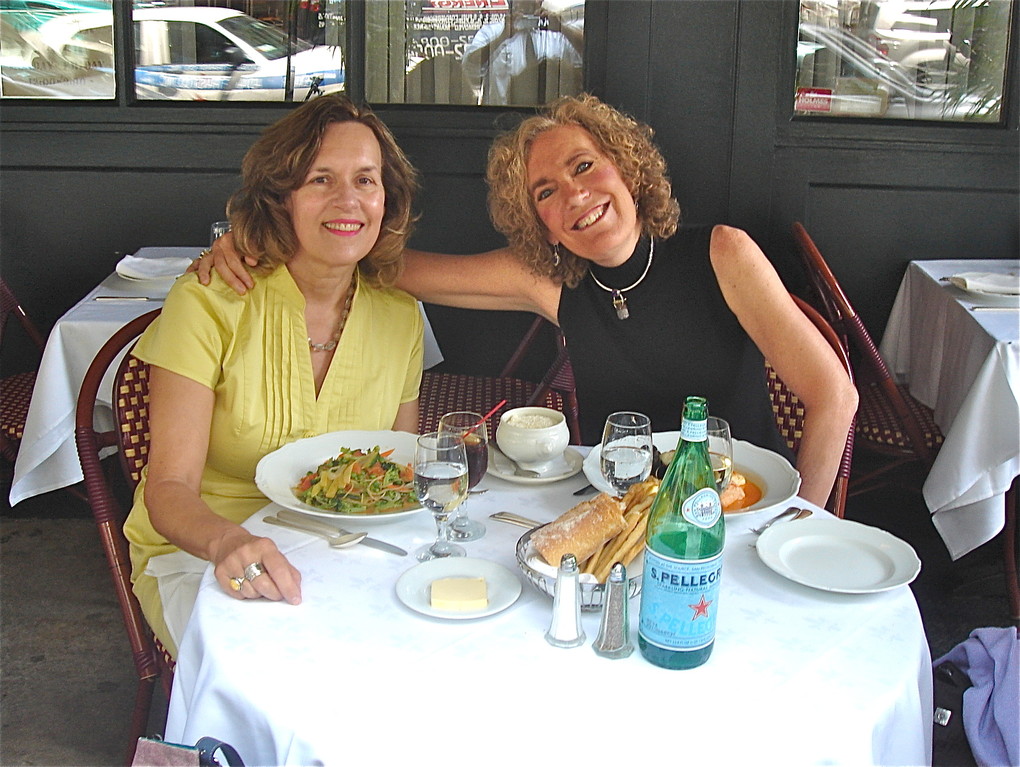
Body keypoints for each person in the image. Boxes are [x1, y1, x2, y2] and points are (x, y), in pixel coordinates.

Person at [200, 94, 857, 509]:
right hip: (619, 515)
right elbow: (384, 263)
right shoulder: (552, 281)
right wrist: (256, 239)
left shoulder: (722, 254)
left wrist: (798, 524)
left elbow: (835, 396)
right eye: (544, 191)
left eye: (584, 166)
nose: (572, 195)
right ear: (537, 220)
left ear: (625, 168)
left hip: (732, 515)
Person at [127, 93, 424, 657]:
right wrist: (227, 541)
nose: (348, 200)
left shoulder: (400, 316)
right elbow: (167, 490)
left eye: (366, 180)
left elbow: (395, 471)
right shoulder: (211, 300)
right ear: (280, 197)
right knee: (284, 660)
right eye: (320, 179)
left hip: (347, 549)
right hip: (209, 547)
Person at [461, 0, 584, 105]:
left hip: (547, 120)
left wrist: (562, 28)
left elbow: (589, 56)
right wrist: (501, 37)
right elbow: (471, 65)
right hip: (501, 116)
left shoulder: (555, 34)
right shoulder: (493, 31)